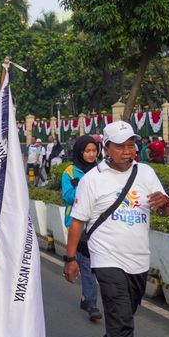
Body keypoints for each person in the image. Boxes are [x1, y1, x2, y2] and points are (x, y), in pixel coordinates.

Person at [64, 120, 169, 337]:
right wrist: (71, 257)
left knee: (125, 314)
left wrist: (164, 204)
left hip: (138, 259)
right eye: (121, 146)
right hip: (106, 257)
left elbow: (166, 207)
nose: (128, 151)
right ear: (106, 149)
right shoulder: (92, 180)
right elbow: (77, 222)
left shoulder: (146, 173)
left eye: (131, 145)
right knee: (121, 316)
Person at [61, 136, 102, 322]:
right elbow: (68, 196)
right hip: (78, 223)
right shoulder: (70, 172)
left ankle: (88, 297)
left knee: (94, 264)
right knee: (86, 263)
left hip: (100, 223)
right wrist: (84, 188)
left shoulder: (102, 170)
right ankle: (91, 302)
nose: (91, 154)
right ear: (79, 152)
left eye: (94, 151)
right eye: (87, 151)